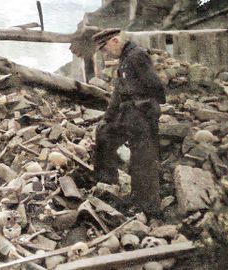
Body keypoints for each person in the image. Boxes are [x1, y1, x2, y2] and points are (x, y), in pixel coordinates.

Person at [91, 28, 166, 216]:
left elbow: (156, 86)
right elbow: (118, 93)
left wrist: (144, 107)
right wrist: (107, 119)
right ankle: (107, 184)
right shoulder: (124, 59)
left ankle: (148, 208)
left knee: (143, 160)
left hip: (141, 115)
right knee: (104, 134)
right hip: (127, 115)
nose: (105, 53)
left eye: (105, 48)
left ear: (115, 40)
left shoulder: (137, 55)